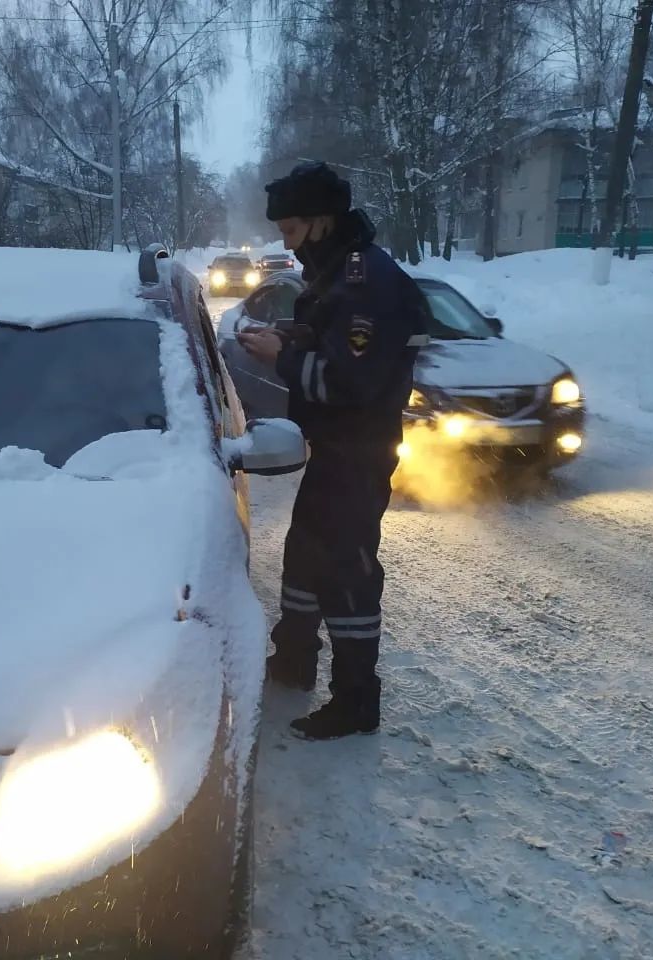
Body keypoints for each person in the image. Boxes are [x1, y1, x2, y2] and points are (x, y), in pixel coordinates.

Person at [236, 161, 429, 740]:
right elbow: (334, 341)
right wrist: (292, 338)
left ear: (322, 222)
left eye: (291, 230)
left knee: (347, 569)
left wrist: (283, 358)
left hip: (359, 448)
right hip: (335, 449)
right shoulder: (338, 276)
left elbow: (352, 383)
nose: (286, 244)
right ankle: (294, 659)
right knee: (304, 554)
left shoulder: (366, 280)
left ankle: (356, 699)